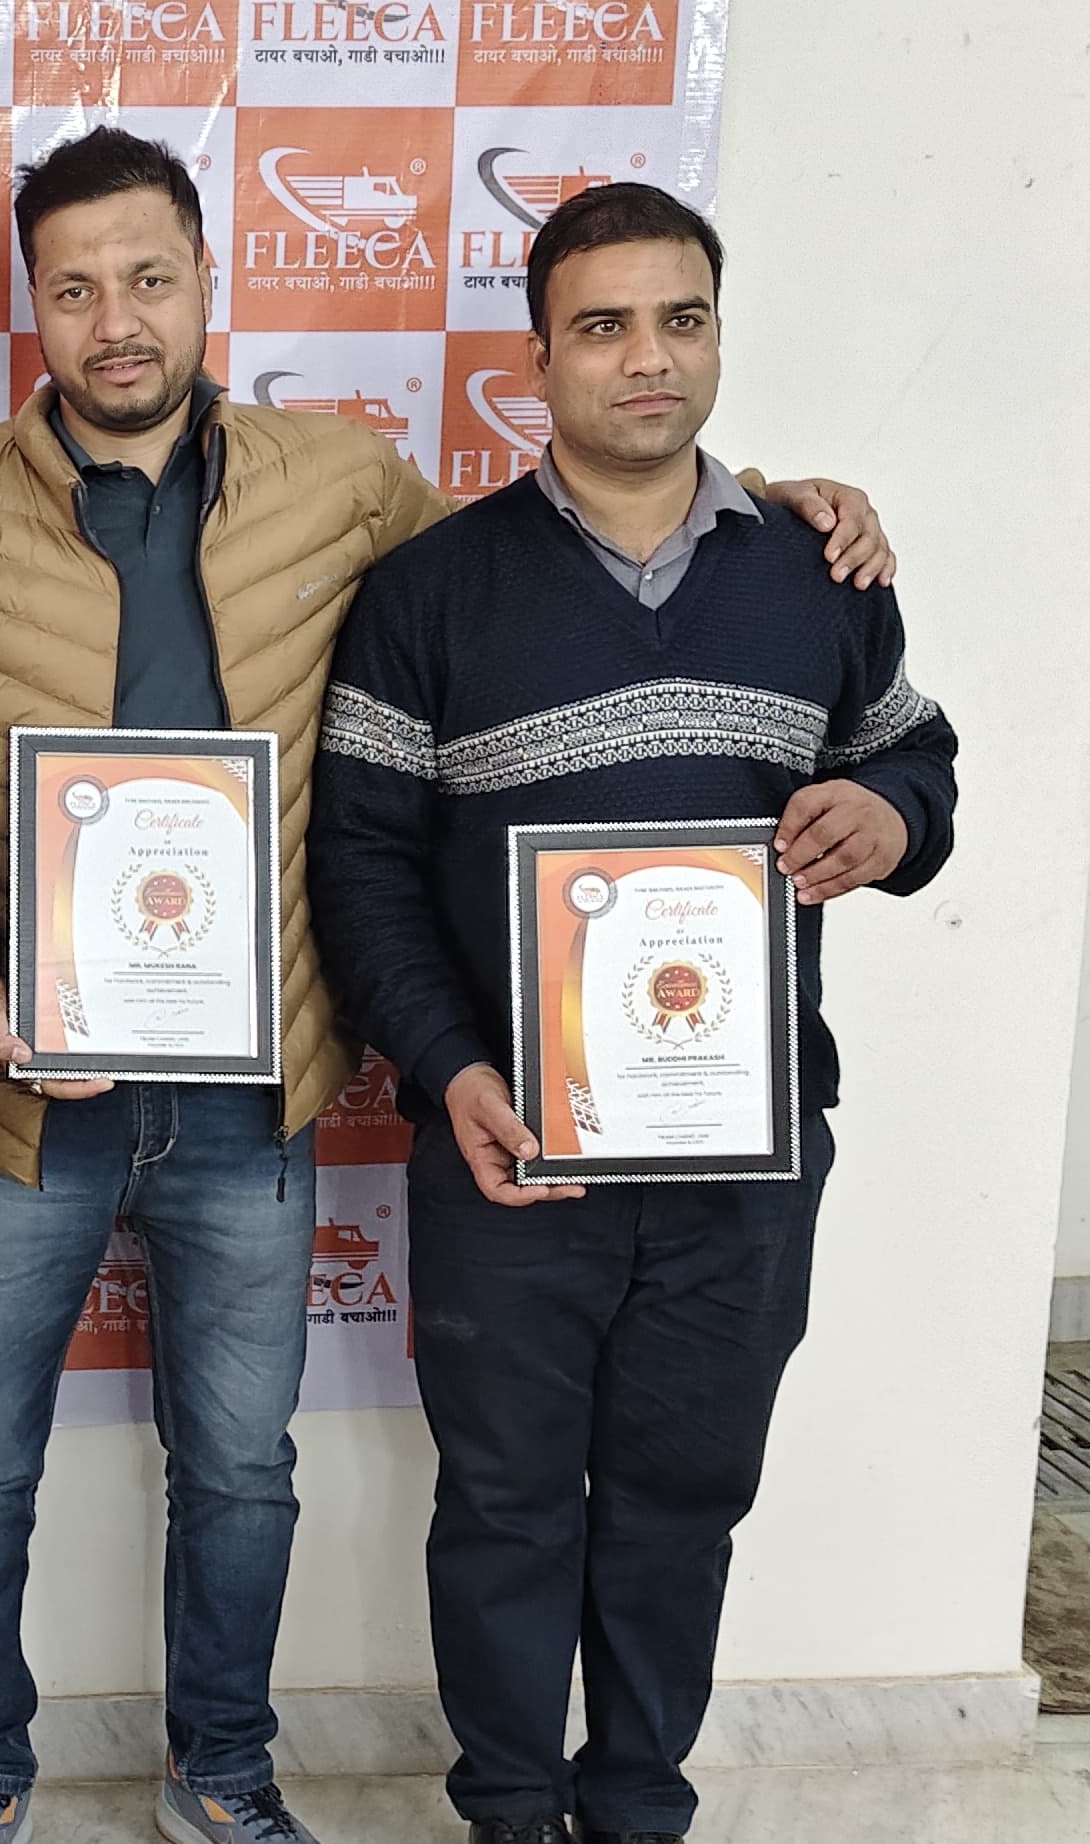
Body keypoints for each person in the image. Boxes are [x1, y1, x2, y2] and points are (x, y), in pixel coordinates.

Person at [0, 130, 901, 1844]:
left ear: (208, 284)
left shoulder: (349, 488)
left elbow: (580, 538)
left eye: (150, 278)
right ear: (31, 308)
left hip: (258, 1085)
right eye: (76, 288)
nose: (118, 320)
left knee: (243, 1469)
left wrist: (779, 503)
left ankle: (223, 1775)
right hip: (14, 1089)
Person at [309, 181, 961, 1844]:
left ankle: (640, 1804)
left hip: (746, 1158)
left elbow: (915, 759)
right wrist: (450, 1070)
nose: (647, 358)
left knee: (686, 1500)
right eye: (602, 327)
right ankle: (509, 1810)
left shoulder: (821, 572)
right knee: (508, 1505)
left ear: (719, 336)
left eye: (683, 320)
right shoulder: (432, 591)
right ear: (535, 361)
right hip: (513, 1151)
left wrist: (891, 817)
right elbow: (362, 871)